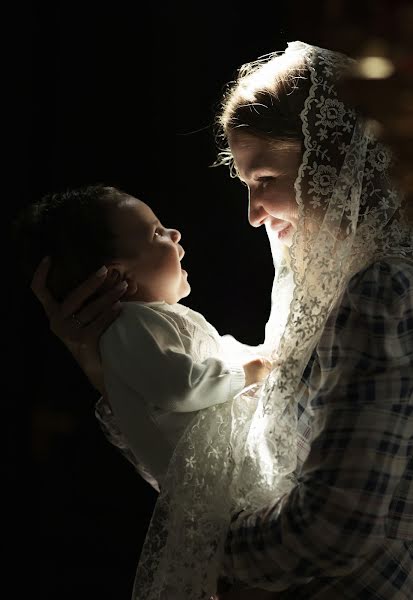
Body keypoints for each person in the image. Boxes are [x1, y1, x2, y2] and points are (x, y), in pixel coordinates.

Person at [30, 40, 413, 599]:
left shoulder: (385, 289)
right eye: (245, 186)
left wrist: (196, 546)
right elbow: (217, 466)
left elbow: (333, 531)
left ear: (330, 166)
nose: (254, 214)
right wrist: (107, 370)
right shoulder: (320, 295)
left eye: (265, 181)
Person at [14, 184, 274, 493]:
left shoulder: (156, 318)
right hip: (214, 480)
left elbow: (214, 351)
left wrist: (257, 354)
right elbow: (180, 385)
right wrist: (244, 373)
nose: (175, 234)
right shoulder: (130, 325)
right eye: (157, 234)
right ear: (117, 277)